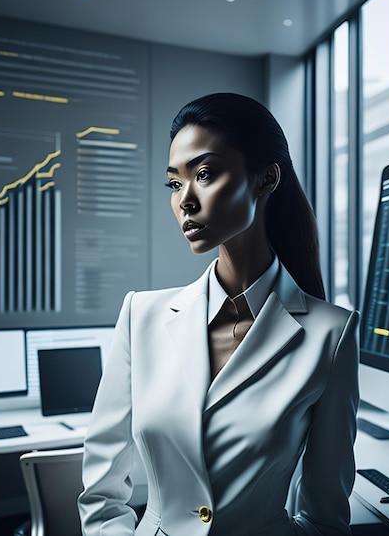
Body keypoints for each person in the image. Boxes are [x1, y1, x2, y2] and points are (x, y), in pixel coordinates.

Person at [78, 92, 360, 536]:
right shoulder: (141, 316)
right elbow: (101, 493)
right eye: (174, 183)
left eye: (204, 174)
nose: (184, 200)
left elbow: (325, 517)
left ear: (266, 179)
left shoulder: (331, 334)